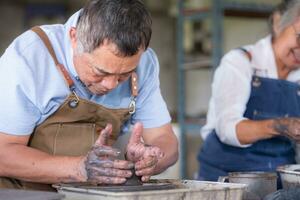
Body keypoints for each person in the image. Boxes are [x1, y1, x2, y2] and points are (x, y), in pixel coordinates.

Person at [0, 0, 178, 191]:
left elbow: (165, 140)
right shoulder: (29, 58)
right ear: (74, 38)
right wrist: (78, 169)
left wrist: (151, 159)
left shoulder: (145, 65)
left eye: (124, 75)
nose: (110, 85)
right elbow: (3, 154)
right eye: (99, 72)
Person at [198, 0, 300, 182]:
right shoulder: (240, 62)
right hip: (228, 177)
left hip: (280, 180)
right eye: (299, 37)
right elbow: (227, 129)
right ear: (278, 24)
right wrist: (280, 126)